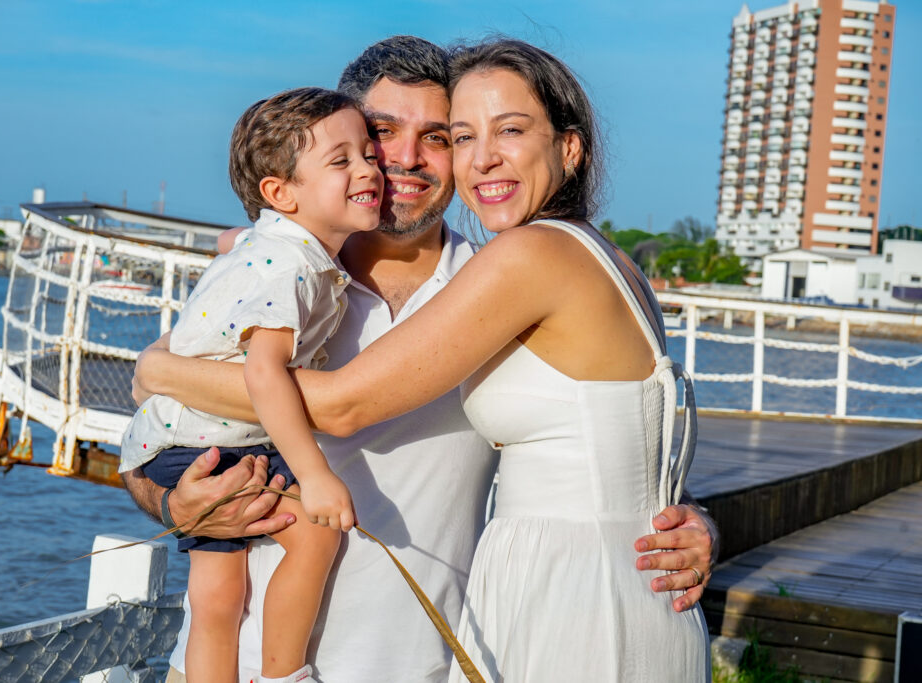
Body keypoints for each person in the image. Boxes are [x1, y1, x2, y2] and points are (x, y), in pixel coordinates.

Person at [126, 36, 717, 683]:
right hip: (235, 666)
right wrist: (171, 505)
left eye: (439, 136)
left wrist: (695, 524)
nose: (407, 158)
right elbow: (151, 446)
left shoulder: (499, 278)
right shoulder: (267, 275)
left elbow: (606, 447)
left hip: (423, 666)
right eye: (382, 132)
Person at [120, 87, 381, 683]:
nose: (368, 168)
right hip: (208, 440)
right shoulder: (290, 267)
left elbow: (235, 242)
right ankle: (285, 676)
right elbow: (265, 371)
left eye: (368, 152)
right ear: (280, 193)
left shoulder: (278, 245)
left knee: (217, 597)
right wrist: (314, 475)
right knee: (312, 543)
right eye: (341, 161)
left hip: (181, 435)